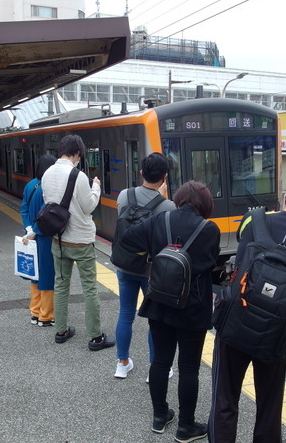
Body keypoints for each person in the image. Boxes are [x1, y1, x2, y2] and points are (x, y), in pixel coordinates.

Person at [208, 178, 286, 443]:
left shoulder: (254, 220)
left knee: (225, 398)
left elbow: (242, 242)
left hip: (234, 323)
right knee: (270, 405)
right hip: (274, 334)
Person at [119, 181, 220, 442]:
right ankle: (186, 427)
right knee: (189, 369)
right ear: (205, 204)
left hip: (159, 302)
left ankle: (160, 416)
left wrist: (155, 254)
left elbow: (127, 238)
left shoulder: (159, 219)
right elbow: (211, 262)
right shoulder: (209, 229)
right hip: (193, 307)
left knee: (161, 361)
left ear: (178, 198)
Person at [41, 134, 115, 351]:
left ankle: (61, 330)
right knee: (89, 288)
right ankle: (95, 337)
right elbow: (89, 206)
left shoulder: (47, 174)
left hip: (59, 239)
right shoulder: (78, 175)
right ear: (77, 153)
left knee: (61, 284)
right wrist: (96, 187)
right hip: (81, 241)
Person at [112, 152, 176, 379]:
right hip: (151, 271)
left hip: (125, 265)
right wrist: (164, 197)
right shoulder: (167, 206)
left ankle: (122, 363)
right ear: (165, 177)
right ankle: (155, 368)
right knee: (155, 319)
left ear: (141, 173)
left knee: (126, 313)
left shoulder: (123, 196)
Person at [20, 154, 57, 327]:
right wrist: (35, 231)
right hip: (45, 237)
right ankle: (46, 315)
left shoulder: (30, 185)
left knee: (35, 275)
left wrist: (28, 228)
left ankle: (35, 312)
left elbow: (24, 209)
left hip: (30, 237)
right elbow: (48, 214)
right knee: (48, 275)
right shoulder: (50, 187)